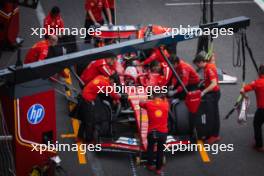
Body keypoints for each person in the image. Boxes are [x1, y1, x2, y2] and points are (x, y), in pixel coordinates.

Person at [78, 74, 120, 141]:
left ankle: (79, 137)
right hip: (87, 100)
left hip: (83, 96)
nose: (114, 84)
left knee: (85, 119)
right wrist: (118, 98)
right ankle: (88, 140)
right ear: (112, 80)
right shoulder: (106, 84)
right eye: (114, 82)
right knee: (90, 121)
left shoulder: (101, 77)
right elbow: (114, 95)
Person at [193, 51, 221, 144]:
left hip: (213, 94)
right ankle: (213, 134)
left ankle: (214, 136)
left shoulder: (209, 68)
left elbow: (214, 84)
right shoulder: (208, 66)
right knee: (213, 115)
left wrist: (203, 92)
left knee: (212, 116)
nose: (197, 66)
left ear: (201, 62)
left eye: (197, 64)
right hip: (213, 93)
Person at [139, 92, 169, 175]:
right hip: (163, 132)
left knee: (150, 148)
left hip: (152, 132)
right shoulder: (166, 104)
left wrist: (145, 100)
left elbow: (140, 103)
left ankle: (150, 165)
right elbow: (165, 99)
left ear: (153, 96)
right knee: (160, 151)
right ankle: (158, 169)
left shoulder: (148, 104)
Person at [240, 65, 264, 152]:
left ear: (259, 73)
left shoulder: (257, 82)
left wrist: (245, 97)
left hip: (262, 110)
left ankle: (259, 145)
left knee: (257, 125)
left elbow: (242, 90)